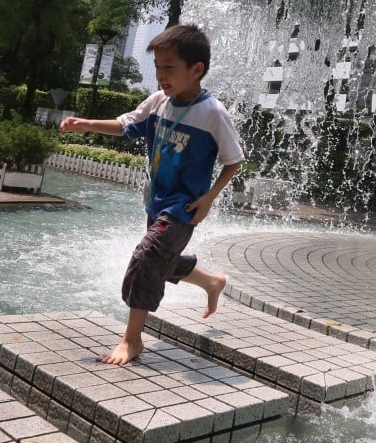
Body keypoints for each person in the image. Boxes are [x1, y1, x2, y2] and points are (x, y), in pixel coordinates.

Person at [60, 24, 244, 365]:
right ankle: (211, 282)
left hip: (184, 207)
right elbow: (126, 123)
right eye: (158, 67)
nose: (161, 75)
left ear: (196, 69)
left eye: (169, 67)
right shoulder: (159, 101)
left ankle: (132, 339)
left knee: (146, 258)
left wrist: (209, 198)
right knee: (162, 260)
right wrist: (87, 123)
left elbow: (234, 161)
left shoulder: (213, 113)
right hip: (156, 201)